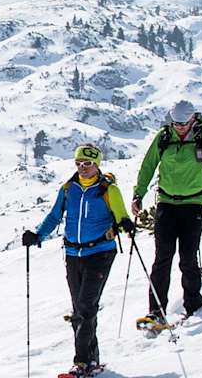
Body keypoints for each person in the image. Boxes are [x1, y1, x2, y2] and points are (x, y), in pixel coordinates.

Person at [23, 144, 133, 378]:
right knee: (79, 310)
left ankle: (81, 363)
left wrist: (125, 223)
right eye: (79, 164)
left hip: (100, 252)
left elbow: (121, 214)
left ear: (97, 165)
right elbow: (54, 216)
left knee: (86, 306)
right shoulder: (68, 189)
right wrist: (37, 235)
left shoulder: (107, 189)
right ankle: (92, 360)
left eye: (88, 164)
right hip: (73, 254)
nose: (83, 168)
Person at [131, 101, 202, 325]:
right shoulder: (164, 137)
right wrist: (138, 194)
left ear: (193, 119)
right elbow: (148, 166)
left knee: (187, 257)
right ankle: (156, 310)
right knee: (162, 258)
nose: (180, 127)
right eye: (176, 123)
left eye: (184, 123)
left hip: (195, 203)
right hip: (167, 202)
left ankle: (193, 301)